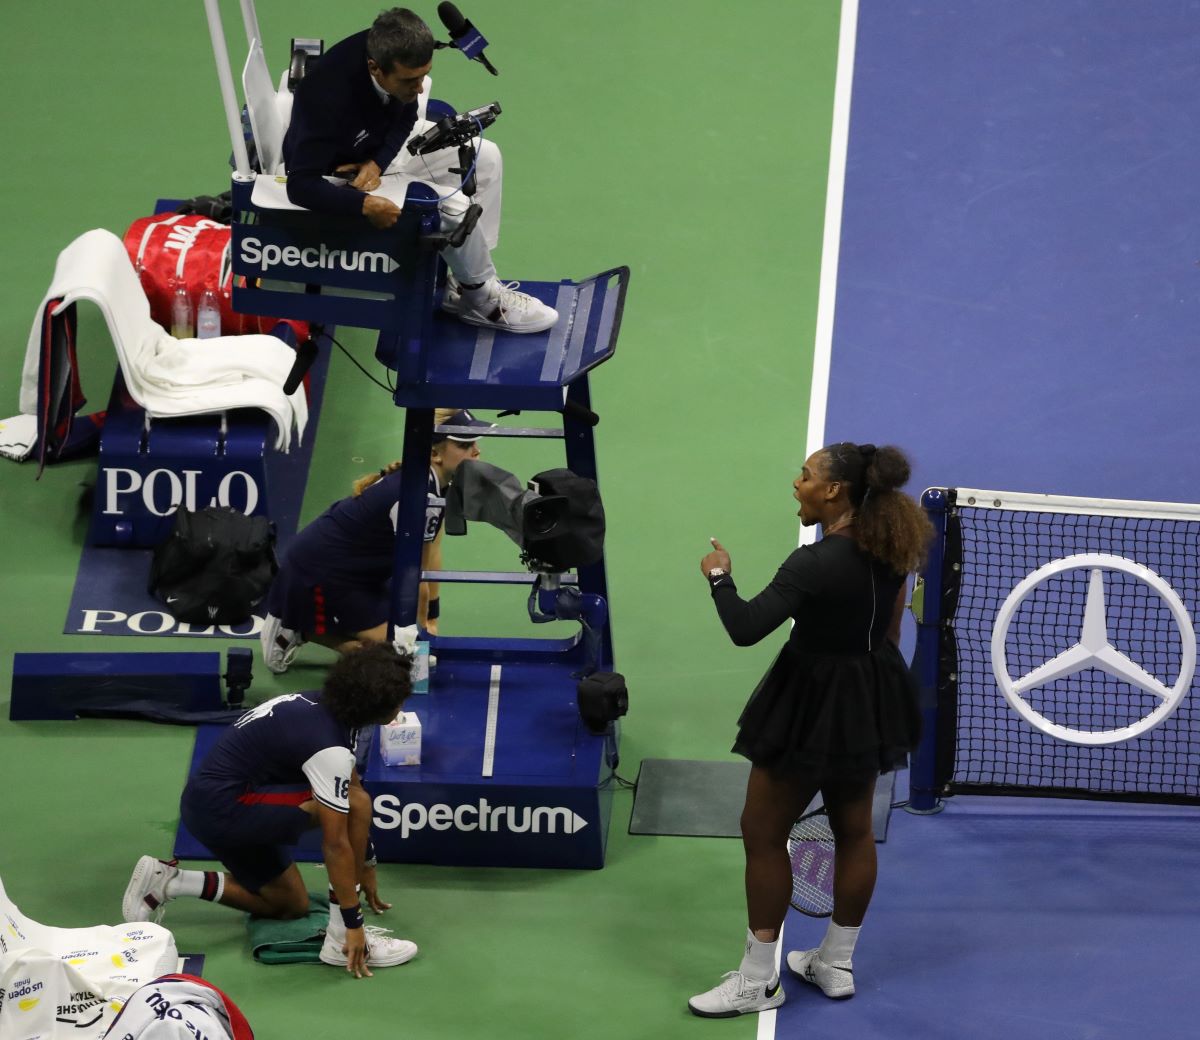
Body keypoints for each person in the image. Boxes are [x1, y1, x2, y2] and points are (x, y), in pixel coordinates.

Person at [687, 442, 934, 1018]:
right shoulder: (893, 550)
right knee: (853, 832)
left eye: (805, 476)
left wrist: (719, 577)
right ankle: (836, 963)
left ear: (833, 492)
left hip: (806, 702)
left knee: (763, 831)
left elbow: (746, 628)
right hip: (871, 695)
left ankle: (756, 981)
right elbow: (892, 632)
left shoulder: (813, 564)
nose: (795, 484)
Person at [122, 643, 414, 977]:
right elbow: (336, 841)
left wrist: (367, 868)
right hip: (224, 809)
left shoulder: (325, 707)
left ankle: (170, 882)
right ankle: (337, 940)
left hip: (227, 800)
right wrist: (352, 921)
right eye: (400, 699)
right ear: (377, 705)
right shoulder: (328, 745)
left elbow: (353, 785)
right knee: (355, 805)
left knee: (290, 904)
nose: (403, 704)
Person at [281, 7, 558, 335]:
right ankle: (483, 301)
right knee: (453, 207)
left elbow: (407, 116)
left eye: (423, 75)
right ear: (375, 68)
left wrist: (378, 161)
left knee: (486, 158)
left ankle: (469, 285)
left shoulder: (392, 54)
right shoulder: (325, 98)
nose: (420, 87)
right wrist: (363, 205)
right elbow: (299, 185)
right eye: (410, 80)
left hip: (372, 155)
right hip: (339, 179)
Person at [260, 408, 492, 673]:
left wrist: (432, 616)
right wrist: (421, 635)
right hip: (321, 572)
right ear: (435, 453)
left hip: (364, 571)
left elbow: (433, 549)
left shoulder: (436, 483)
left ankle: (317, 619)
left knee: (409, 645)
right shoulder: (418, 496)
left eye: (474, 443)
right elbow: (417, 577)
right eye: (464, 445)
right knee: (401, 656)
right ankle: (301, 628)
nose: (476, 452)